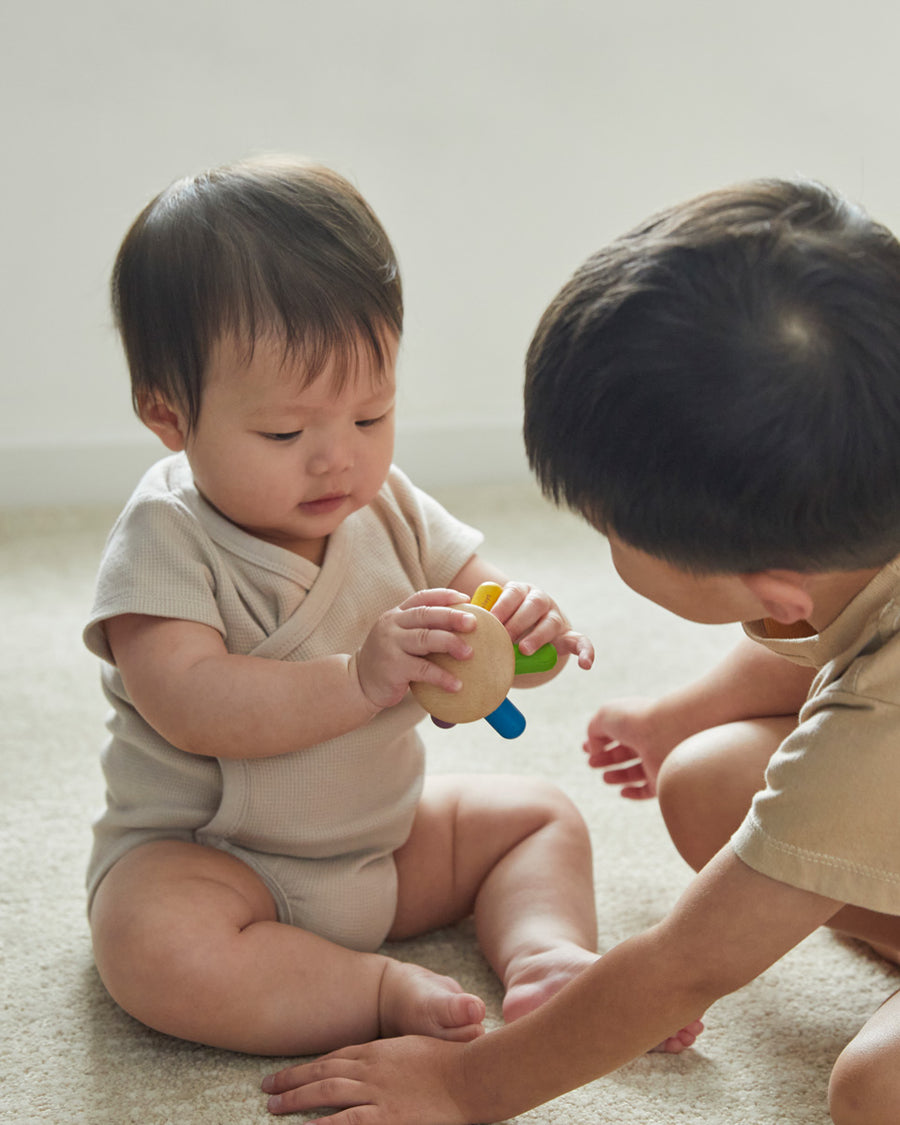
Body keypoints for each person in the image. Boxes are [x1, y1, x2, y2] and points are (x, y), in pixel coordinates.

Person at [261, 177, 900, 1125]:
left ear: (771, 584)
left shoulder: (878, 723)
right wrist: (677, 714)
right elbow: (827, 637)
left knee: (874, 1092)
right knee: (706, 781)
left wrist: (464, 1083)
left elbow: (688, 963)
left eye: (608, 528)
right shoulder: (856, 529)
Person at [83, 155, 619, 1057]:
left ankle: (545, 954)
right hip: (217, 860)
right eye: (287, 432)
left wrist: (522, 627)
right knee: (150, 944)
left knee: (537, 815)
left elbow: (474, 602)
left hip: (383, 844)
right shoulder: (165, 535)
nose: (338, 458)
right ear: (167, 413)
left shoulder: (390, 504)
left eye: (370, 416)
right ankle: (370, 990)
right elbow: (191, 702)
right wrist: (360, 679)